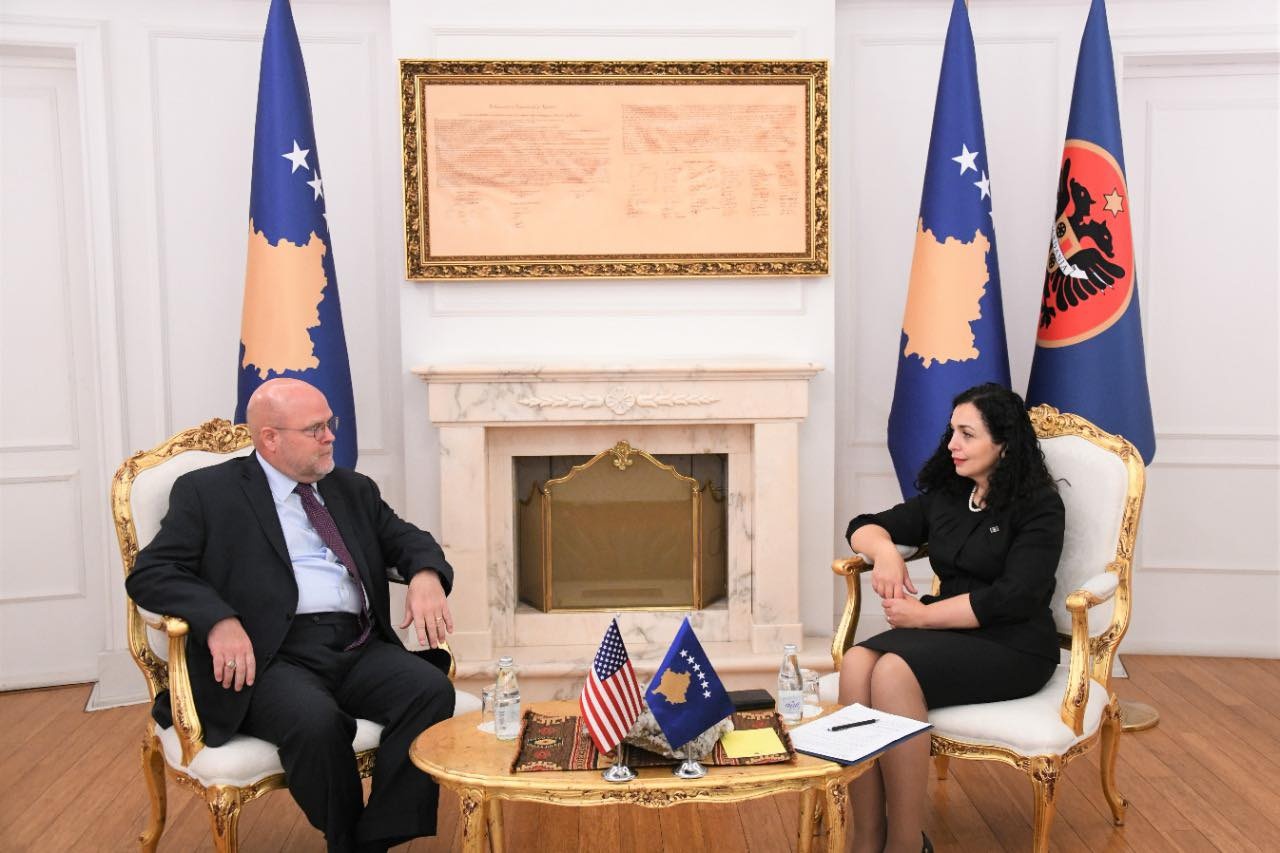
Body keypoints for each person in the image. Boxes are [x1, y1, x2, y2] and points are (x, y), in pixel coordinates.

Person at [126, 378, 456, 853]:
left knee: (429, 690)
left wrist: (425, 575)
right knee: (316, 723)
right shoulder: (208, 492)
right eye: (315, 428)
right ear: (270, 438)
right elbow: (153, 572)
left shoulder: (351, 488)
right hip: (269, 655)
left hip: (355, 643)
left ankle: (372, 840)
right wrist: (218, 619)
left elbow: (408, 539)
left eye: (329, 423)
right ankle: (346, 839)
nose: (330, 436)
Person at [840, 383, 1064, 853]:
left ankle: (905, 843)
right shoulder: (950, 494)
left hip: (1015, 643)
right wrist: (886, 554)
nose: (952, 445)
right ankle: (866, 837)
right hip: (948, 632)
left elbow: (1014, 597)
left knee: (893, 671)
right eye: (952, 432)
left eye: (967, 434)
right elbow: (862, 526)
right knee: (857, 663)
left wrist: (922, 616)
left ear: (1003, 443)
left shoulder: (1039, 505)